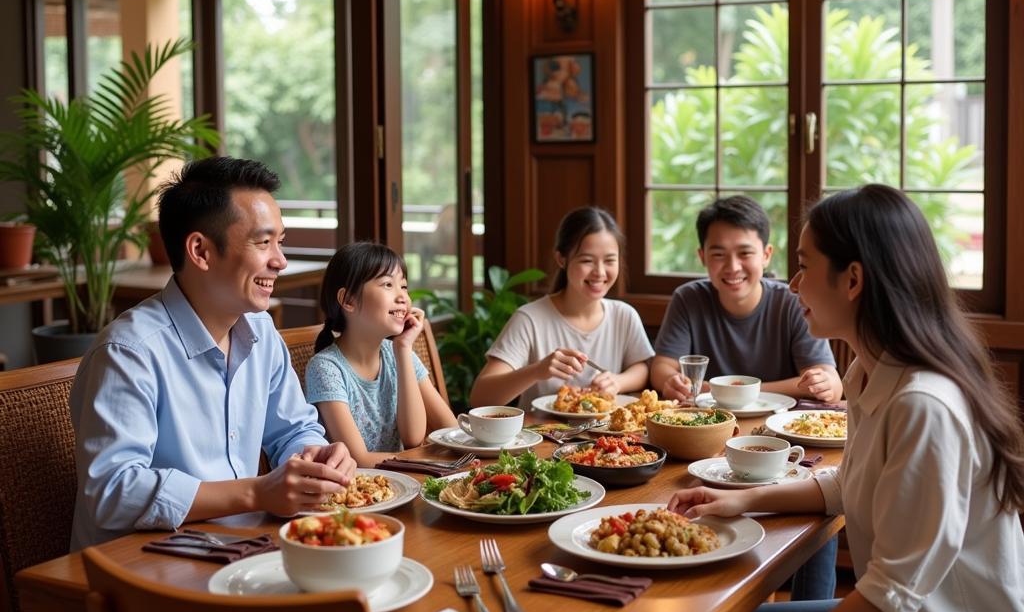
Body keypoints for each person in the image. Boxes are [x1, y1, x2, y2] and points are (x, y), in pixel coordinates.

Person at [650, 184, 1024, 612]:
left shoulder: (926, 403)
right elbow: (849, 485)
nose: (793, 285)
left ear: (853, 280)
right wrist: (736, 499)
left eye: (803, 266)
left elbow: (890, 593)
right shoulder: (872, 372)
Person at [69, 156, 427, 612]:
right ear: (201, 251)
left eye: (281, 241)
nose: (281, 261)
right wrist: (256, 494)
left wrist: (321, 457)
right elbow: (111, 488)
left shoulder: (258, 335)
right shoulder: (131, 351)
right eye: (264, 243)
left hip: (240, 584)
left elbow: (295, 431)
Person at [651, 195, 843, 405]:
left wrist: (826, 383)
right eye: (718, 254)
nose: (733, 267)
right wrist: (672, 381)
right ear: (702, 256)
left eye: (745, 253)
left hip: (779, 427)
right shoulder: (688, 299)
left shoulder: (794, 301)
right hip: (709, 423)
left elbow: (829, 382)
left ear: (766, 255)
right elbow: (661, 367)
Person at [470, 206, 653, 412]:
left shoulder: (624, 315)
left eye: (610, 260)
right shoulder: (529, 319)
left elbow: (642, 368)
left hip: (605, 438)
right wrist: (537, 371)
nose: (600, 272)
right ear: (561, 259)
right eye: (587, 261)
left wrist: (618, 381)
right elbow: (480, 397)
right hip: (542, 438)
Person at [305, 241, 457, 466]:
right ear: (348, 300)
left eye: (403, 286)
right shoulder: (326, 368)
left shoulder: (397, 353)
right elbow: (360, 459)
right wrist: (426, 460)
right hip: (360, 492)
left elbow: (435, 433)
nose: (402, 297)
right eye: (388, 284)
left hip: (406, 481)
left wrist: (403, 349)